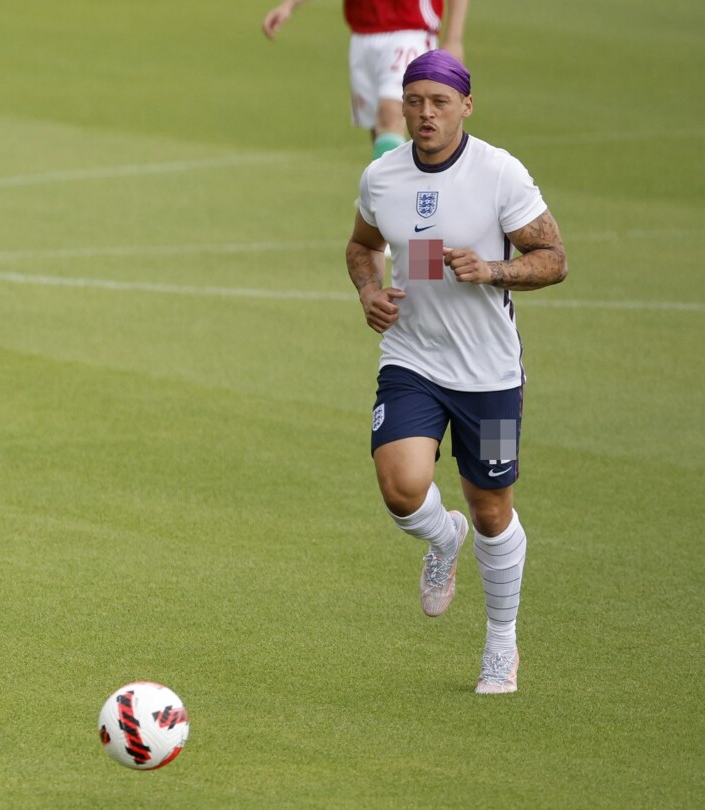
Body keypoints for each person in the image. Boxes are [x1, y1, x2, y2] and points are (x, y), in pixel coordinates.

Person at [346, 50, 568, 694]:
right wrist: (369, 291)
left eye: (439, 103)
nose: (425, 114)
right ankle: (444, 539)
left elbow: (553, 258)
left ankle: (501, 641)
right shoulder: (382, 176)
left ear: (465, 106)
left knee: (492, 508)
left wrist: (493, 269)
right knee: (401, 487)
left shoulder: (499, 173)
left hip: (491, 378)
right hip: (412, 360)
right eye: (414, 101)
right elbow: (364, 246)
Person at [262, 0, 469, 160]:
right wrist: (288, 5)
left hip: (410, 28)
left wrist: (454, 38)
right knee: (378, 128)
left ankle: (389, 193)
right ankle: (392, 192)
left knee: (389, 115)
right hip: (362, 32)